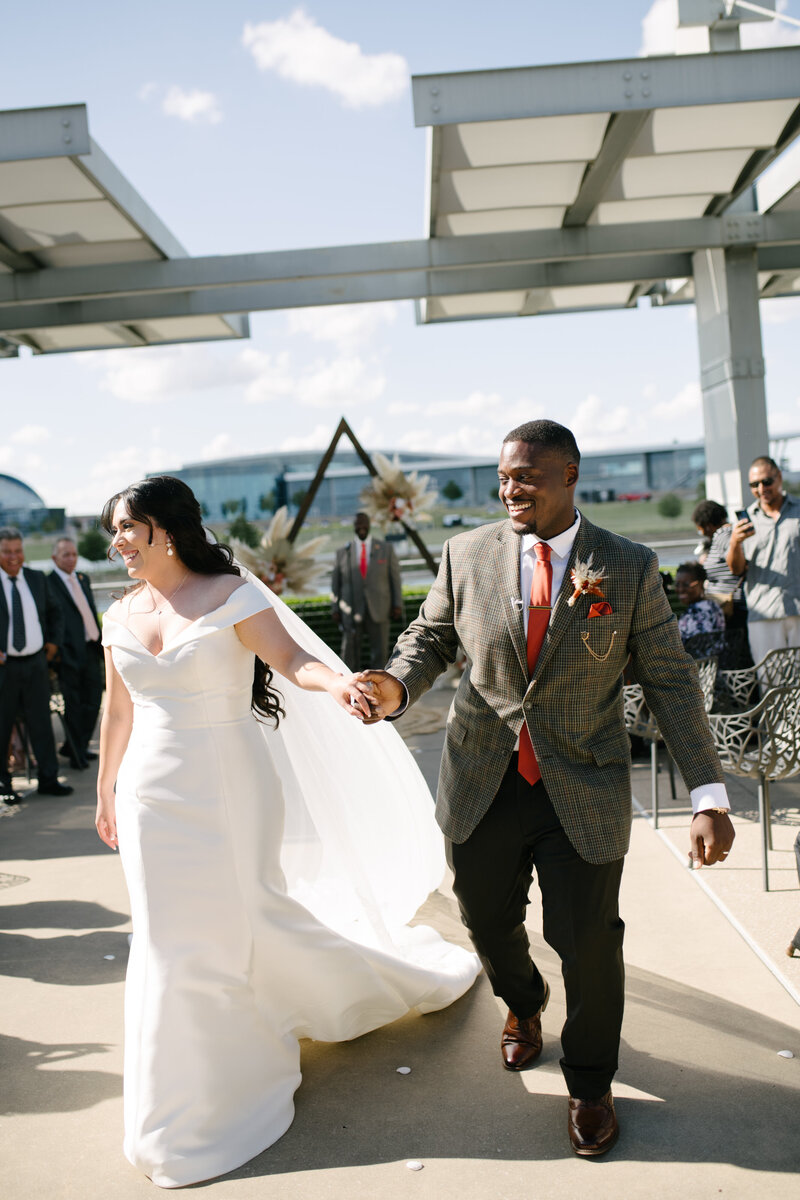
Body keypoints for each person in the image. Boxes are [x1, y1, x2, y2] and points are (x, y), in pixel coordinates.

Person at [359, 420, 735, 1158]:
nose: (510, 489)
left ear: (569, 476)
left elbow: (667, 677)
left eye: (526, 476)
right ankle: (523, 1007)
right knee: (485, 917)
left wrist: (708, 794)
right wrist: (398, 683)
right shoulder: (466, 553)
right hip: (483, 776)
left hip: (583, 784)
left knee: (589, 942)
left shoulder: (624, 565)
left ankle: (591, 1084)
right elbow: (431, 636)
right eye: (504, 477)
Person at [95, 476, 479, 1189]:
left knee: (244, 915)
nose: (116, 541)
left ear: (166, 529)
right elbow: (116, 712)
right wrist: (105, 788)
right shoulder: (119, 614)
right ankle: (171, 1103)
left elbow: (292, 662)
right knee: (166, 935)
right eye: (114, 529)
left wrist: (337, 686)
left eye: (127, 527)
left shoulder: (232, 597)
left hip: (230, 787)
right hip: (151, 796)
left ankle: (252, 1054)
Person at [0, 526, 72, 805]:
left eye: (18, 551)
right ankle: (4, 785)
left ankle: (49, 779)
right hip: (5, 668)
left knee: (41, 723)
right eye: (7, 552)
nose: (14, 557)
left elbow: (56, 613)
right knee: (2, 726)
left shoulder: (35, 579)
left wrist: (53, 645)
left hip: (36, 663)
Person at [726, 456, 800, 666]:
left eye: (766, 481)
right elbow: (736, 569)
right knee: (771, 682)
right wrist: (734, 543)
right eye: (754, 484)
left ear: (779, 478)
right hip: (764, 611)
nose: (761, 488)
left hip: (798, 607)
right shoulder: (746, 519)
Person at [47, 536, 103, 769]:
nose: (71, 559)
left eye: (74, 554)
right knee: (74, 704)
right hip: (68, 652)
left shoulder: (83, 578)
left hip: (91, 647)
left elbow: (89, 610)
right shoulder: (48, 584)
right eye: (65, 555)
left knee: (94, 700)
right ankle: (77, 752)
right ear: (54, 558)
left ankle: (77, 745)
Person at [330, 511, 402, 670]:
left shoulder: (386, 549)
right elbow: (336, 584)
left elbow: (394, 579)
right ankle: (349, 687)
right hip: (351, 610)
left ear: (369, 525)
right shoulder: (343, 552)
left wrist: (397, 604)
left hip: (379, 608)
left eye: (364, 523)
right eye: (358, 524)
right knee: (349, 653)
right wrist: (335, 608)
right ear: (354, 527)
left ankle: (378, 689)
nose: (361, 527)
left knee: (380, 653)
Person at [691, 499, 751, 669]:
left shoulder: (723, 535)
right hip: (733, 607)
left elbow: (737, 564)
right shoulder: (726, 534)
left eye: (699, 527)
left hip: (734, 607)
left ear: (707, 524)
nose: (700, 531)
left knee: (738, 655)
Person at [674, 561, 726, 657]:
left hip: (696, 667)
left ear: (701, 584)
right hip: (713, 666)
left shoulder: (694, 613)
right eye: (677, 584)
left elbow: (677, 646)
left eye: (686, 584)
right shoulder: (713, 606)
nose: (680, 589)